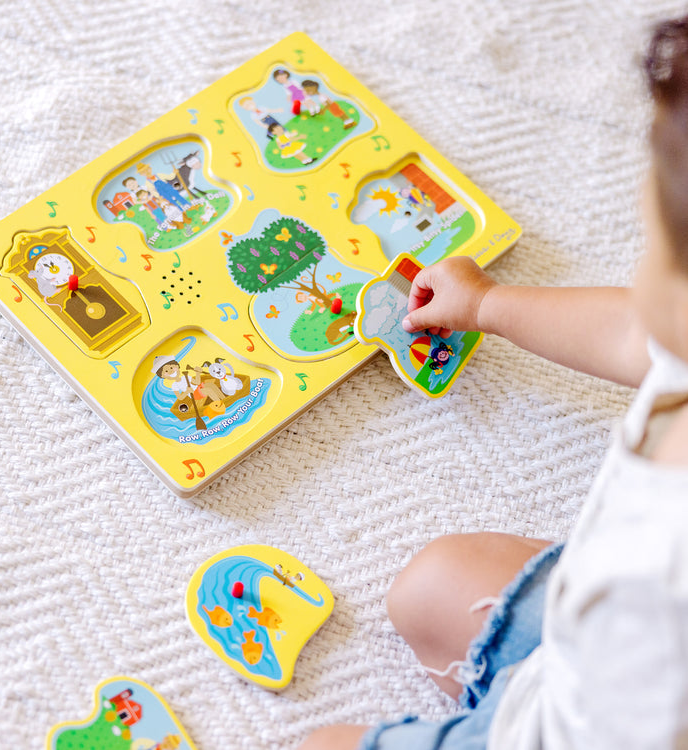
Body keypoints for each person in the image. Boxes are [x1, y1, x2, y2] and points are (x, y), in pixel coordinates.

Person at [298, 16, 688, 750]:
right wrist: (487, 306)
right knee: (431, 585)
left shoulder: (659, 587)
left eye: (653, 247)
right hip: (596, 638)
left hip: (585, 726)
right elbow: (636, 334)